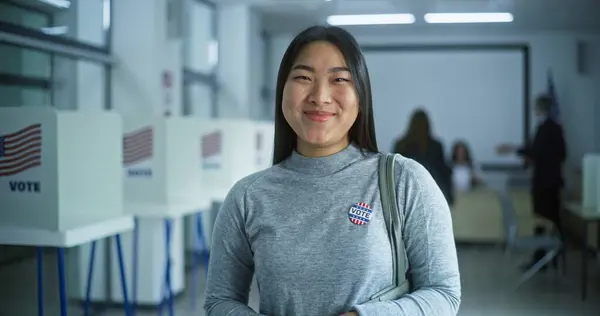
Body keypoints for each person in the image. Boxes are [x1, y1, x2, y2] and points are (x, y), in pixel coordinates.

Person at [203, 26, 461, 316]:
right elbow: (219, 301)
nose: (320, 96)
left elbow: (443, 294)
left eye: (339, 79)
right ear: (282, 91)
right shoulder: (247, 197)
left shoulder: (404, 180)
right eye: (303, 77)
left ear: (360, 96)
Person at [497, 94, 567, 268]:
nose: (534, 110)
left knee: (546, 220)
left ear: (542, 108)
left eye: (536, 107)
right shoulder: (547, 127)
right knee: (544, 220)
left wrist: (515, 149)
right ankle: (544, 257)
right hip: (545, 182)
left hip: (546, 183)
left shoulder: (550, 128)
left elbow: (541, 152)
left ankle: (546, 258)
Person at [392, 109, 454, 205]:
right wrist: (450, 197)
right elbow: (444, 173)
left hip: (406, 193)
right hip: (431, 193)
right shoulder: (436, 146)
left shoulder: (401, 145)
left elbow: (393, 171)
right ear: (428, 124)